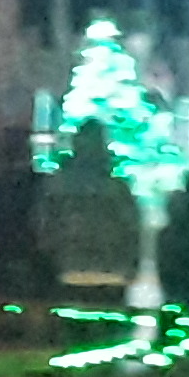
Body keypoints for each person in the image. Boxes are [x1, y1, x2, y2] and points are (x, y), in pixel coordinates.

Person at [35, 119, 142, 313]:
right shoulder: (117, 189)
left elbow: (42, 226)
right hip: (111, 272)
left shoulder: (56, 185)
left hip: (66, 268)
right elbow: (132, 230)